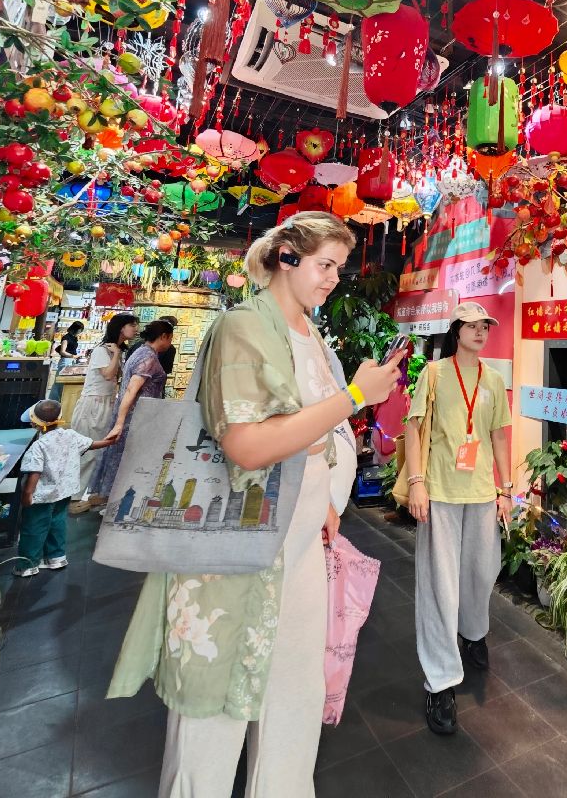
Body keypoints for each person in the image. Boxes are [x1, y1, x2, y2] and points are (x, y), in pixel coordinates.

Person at [108, 212, 402, 798]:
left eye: (340, 268)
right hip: (235, 549)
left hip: (302, 544)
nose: (333, 279)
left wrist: (326, 493)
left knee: (294, 697)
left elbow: (313, 435)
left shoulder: (312, 335)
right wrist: (353, 396)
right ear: (286, 258)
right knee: (212, 711)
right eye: (325, 265)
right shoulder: (241, 327)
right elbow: (245, 445)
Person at [403, 302, 514, 736]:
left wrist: (506, 489)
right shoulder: (434, 374)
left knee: (481, 572)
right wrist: (417, 482)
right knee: (440, 586)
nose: (480, 331)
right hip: (441, 493)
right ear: (456, 330)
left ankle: (472, 631)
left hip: (482, 492)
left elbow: (498, 436)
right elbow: (415, 428)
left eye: (485, 325)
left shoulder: (494, 379)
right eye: (471, 325)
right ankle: (441, 681)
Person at [15, 399, 115, 577]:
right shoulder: (71, 436)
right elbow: (92, 444)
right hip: (64, 492)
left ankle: (27, 565)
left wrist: (27, 494)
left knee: (34, 528)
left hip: (42, 496)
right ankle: (56, 558)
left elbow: (35, 472)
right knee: (58, 524)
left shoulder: (39, 446)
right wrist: (110, 441)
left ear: (34, 423)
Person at [91, 319, 176, 506]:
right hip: (135, 418)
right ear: (163, 336)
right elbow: (132, 389)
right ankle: (117, 503)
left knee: (122, 457)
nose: (170, 343)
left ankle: (113, 500)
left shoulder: (141, 351)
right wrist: (121, 422)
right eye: (170, 338)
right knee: (128, 459)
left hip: (134, 416)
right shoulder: (148, 358)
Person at [70, 314, 138, 514]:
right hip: (94, 405)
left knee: (99, 451)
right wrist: (116, 354)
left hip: (106, 403)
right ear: (120, 327)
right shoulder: (103, 350)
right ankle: (73, 497)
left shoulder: (117, 350)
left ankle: (89, 493)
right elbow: (108, 374)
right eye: (132, 325)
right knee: (88, 450)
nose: (135, 329)